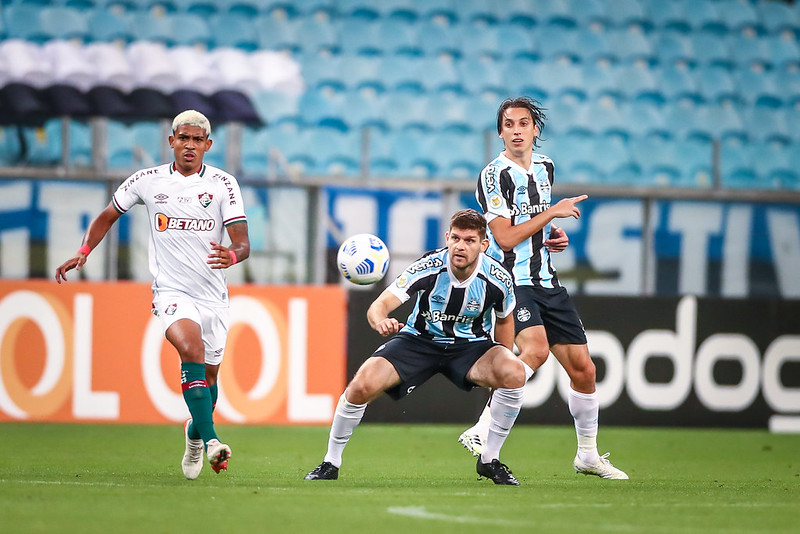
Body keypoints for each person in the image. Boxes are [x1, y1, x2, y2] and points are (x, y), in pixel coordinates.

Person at [55, 110, 250, 480]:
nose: (189, 145)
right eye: (183, 138)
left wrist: (234, 254)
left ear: (208, 145)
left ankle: (194, 435)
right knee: (190, 349)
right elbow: (107, 216)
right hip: (171, 291)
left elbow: (242, 241)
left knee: (209, 385)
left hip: (213, 296)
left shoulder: (224, 185)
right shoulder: (147, 180)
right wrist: (83, 252)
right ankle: (212, 443)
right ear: (171, 140)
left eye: (197, 140)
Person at [458, 97, 628, 480]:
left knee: (584, 370)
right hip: (511, 280)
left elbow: (532, 222)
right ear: (500, 132)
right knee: (534, 349)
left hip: (547, 280)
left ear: (536, 130)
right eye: (509, 124)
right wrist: (552, 213)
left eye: (524, 123)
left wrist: (553, 236)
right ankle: (483, 430)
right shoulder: (493, 175)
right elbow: (502, 238)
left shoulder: (546, 168)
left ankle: (587, 455)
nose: (517, 130)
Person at [305, 209, 526, 485]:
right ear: (447, 237)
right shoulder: (429, 266)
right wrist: (380, 321)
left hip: (470, 346)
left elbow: (505, 320)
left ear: (484, 245)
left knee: (515, 372)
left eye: (469, 241)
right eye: (455, 238)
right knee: (361, 385)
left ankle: (489, 459)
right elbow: (379, 306)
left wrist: (502, 359)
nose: (460, 246)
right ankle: (330, 462)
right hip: (418, 341)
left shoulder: (498, 278)